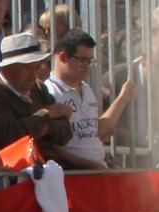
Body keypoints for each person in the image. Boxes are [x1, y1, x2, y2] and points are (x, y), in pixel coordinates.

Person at [42, 30, 135, 170]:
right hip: (71, 174)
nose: (87, 66)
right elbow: (50, 146)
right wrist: (88, 165)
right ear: (63, 57)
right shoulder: (48, 92)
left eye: (90, 61)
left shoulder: (86, 89)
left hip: (94, 172)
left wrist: (122, 99)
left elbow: (97, 131)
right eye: (82, 60)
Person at [0, 33, 73, 161]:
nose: (33, 75)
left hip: (50, 165)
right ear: (7, 68)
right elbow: (10, 136)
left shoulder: (39, 88)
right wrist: (46, 114)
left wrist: (39, 126)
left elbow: (66, 133)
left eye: (36, 67)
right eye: (27, 68)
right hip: (17, 170)